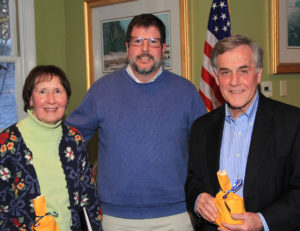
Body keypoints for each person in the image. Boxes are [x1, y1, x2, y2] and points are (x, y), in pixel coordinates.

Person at [66, 13, 206, 231]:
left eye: (153, 41)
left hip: (176, 215)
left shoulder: (185, 92)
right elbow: (69, 141)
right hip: (116, 218)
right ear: (127, 47)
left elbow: (206, 148)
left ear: (163, 47)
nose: (145, 49)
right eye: (137, 41)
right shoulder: (102, 91)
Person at [185, 34, 300, 231]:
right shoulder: (201, 128)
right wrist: (198, 199)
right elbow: (193, 180)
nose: (234, 81)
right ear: (216, 77)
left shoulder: (292, 122)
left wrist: (262, 221)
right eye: (225, 72)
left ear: (258, 73)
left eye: (243, 71)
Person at [0, 65, 102, 230]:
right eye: (42, 91)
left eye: (57, 91)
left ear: (66, 99)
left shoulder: (74, 140)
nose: (51, 100)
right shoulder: (8, 143)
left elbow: (89, 197)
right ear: (30, 99)